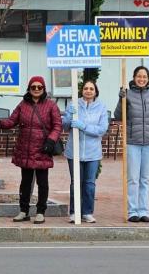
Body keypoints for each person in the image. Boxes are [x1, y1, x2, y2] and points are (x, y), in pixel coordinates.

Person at [0, 76, 61, 224]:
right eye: (33, 87)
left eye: (39, 87)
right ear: (29, 88)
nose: (36, 89)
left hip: (43, 148)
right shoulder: (22, 105)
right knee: (25, 182)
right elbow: (11, 121)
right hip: (26, 149)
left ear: (43, 89)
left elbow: (57, 125)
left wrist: (51, 140)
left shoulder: (51, 105)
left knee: (43, 182)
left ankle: (41, 211)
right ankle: (24, 211)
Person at [115, 66, 149, 223]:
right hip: (133, 143)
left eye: (144, 76)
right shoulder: (127, 94)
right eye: (139, 76)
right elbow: (118, 116)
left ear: (148, 79)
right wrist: (120, 98)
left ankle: (144, 211)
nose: (141, 79)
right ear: (134, 77)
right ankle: (132, 211)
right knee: (133, 178)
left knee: (145, 179)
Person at [62, 79, 109, 223]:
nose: (88, 91)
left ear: (95, 92)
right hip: (74, 151)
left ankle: (87, 212)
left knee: (89, 183)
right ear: (82, 91)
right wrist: (68, 116)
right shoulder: (74, 104)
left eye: (91, 89)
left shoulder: (101, 107)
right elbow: (65, 127)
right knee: (75, 182)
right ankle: (74, 212)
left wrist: (84, 126)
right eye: (86, 88)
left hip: (92, 153)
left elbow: (102, 129)